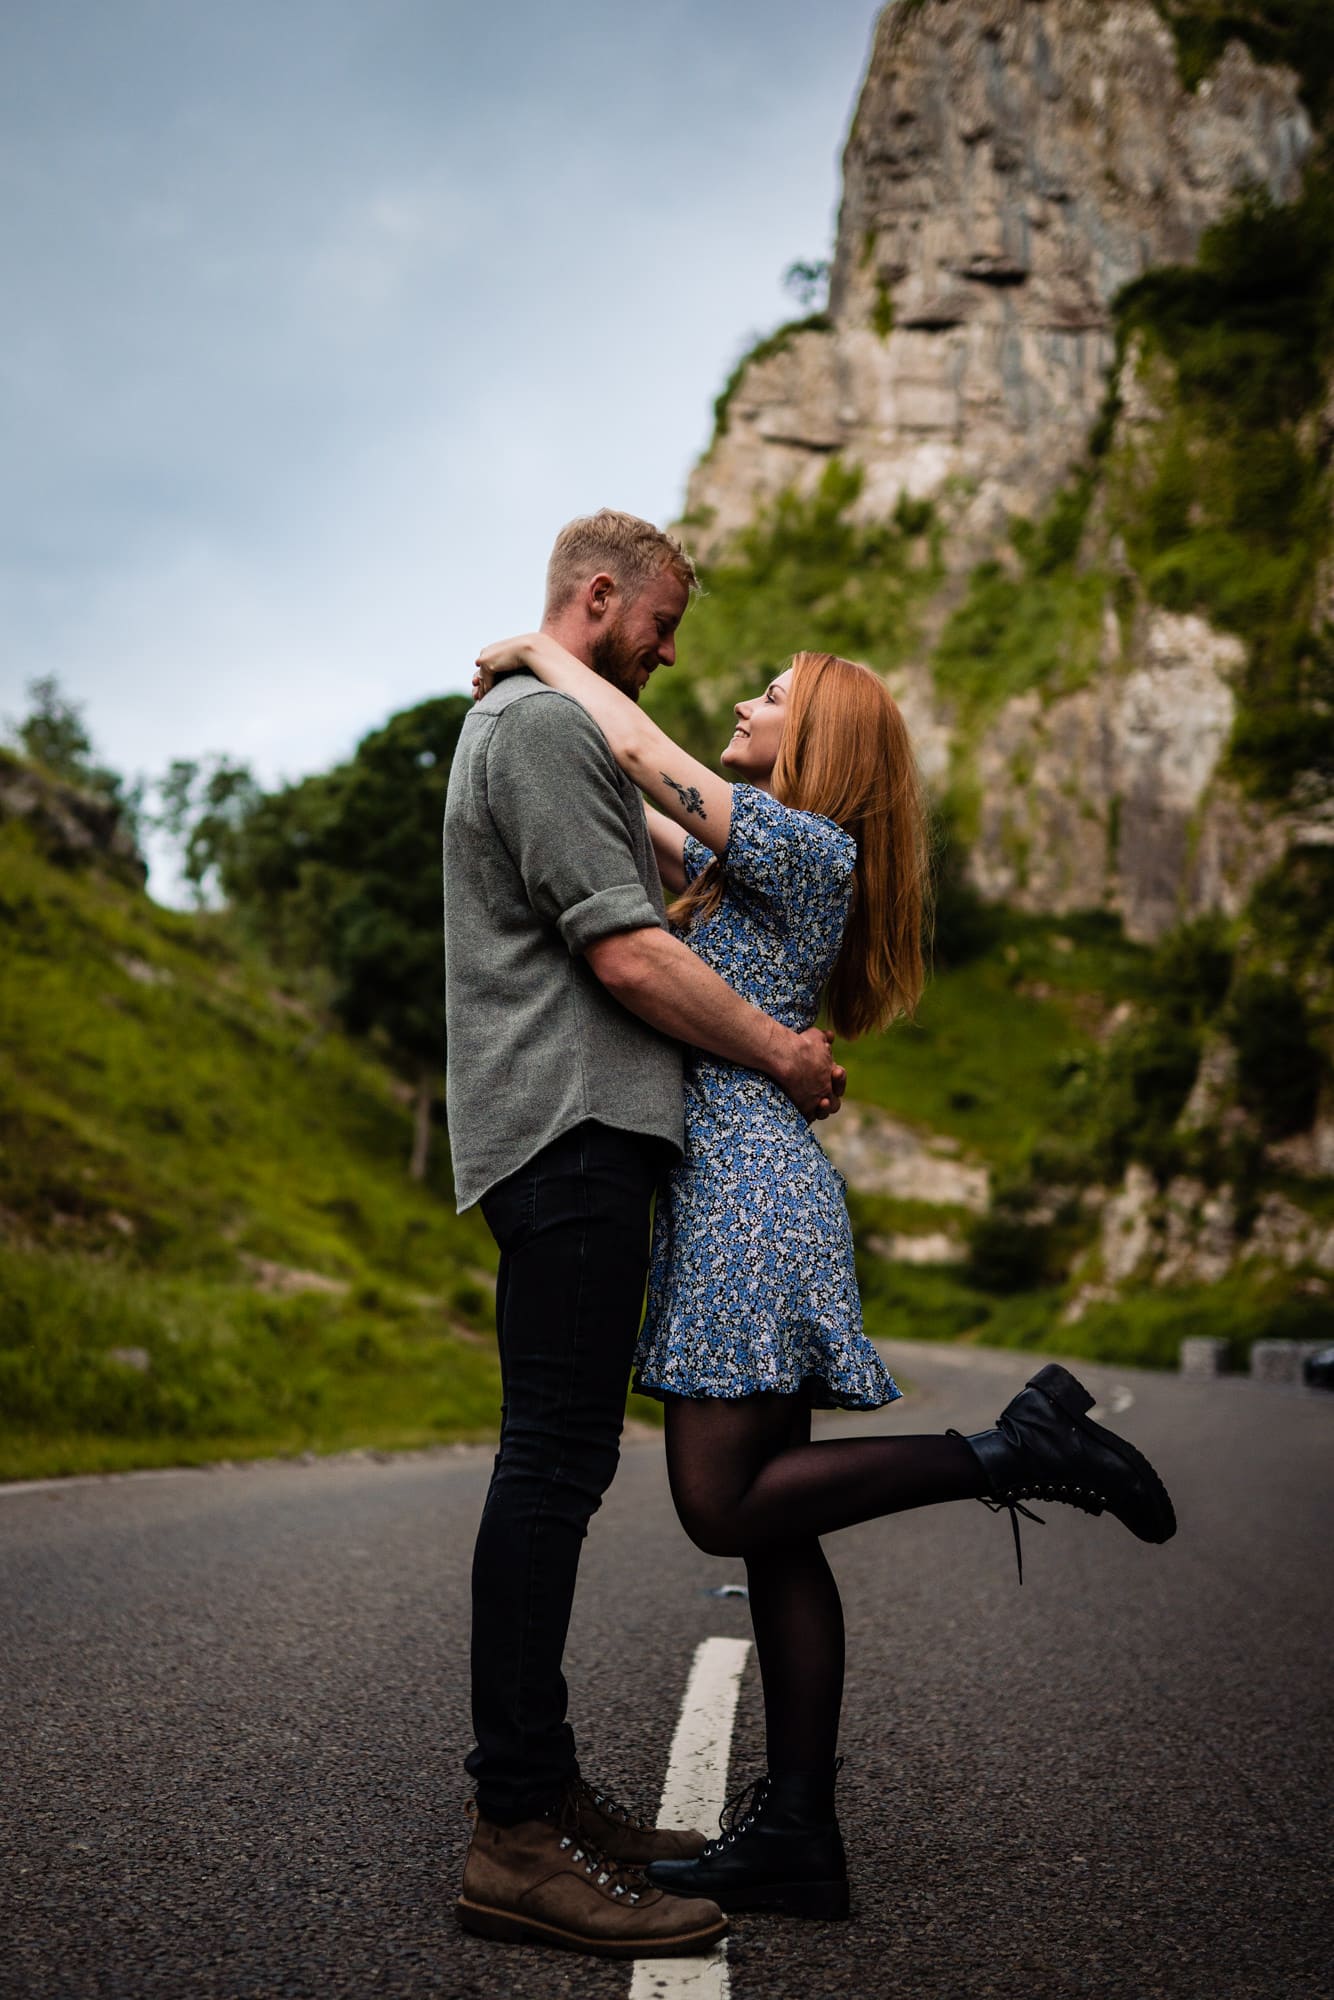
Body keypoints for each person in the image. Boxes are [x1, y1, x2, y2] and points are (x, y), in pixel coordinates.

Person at [471, 629, 1179, 1922]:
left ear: (818, 745)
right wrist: (528, 715)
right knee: (780, 1529)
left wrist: (534, 652)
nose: (742, 698)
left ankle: (1007, 1453)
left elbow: (635, 747)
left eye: (771, 696)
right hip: (748, 1189)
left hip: (744, 1197)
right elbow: (617, 794)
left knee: (721, 1505)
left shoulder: (803, 847)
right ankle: (798, 1833)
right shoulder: (758, 864)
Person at [442, 509, 845, 1961]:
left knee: (557, 1461)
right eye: (660, 623)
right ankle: (513, 1837)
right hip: (567, 1129)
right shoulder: (543, 733)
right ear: (598, 597)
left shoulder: (562, 717)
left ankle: (541, 1793)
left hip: (579, 1133)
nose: (676, 654)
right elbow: (627, 950)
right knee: (549, 1462)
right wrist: (786, 1059)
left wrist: (546, 663)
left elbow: (655, 788)